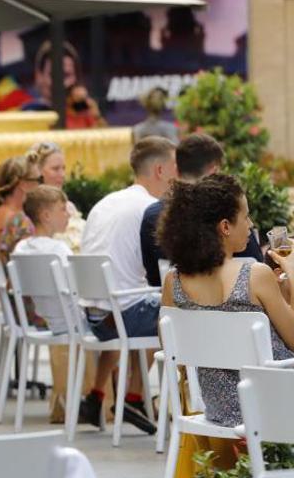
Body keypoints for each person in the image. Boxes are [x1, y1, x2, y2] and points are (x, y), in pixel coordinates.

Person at [158, 174, 294, 428]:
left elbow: (170, 349)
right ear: (225, 226)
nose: (251, 224)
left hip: (218, 411)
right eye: (246, 216)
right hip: (277, 405)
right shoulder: (255, 275)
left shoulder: (172, 282)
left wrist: (283, 290)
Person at [78, 136, 179, 435]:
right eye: (175, 166)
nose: (178, 173)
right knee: (174, 312)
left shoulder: (107, 202)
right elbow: (163, 270)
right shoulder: (151, 209)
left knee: (135, 299)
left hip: (93, 315)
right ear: (160, 170)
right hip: (122, 316)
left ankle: (96, 397)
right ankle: (135, 398)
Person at [141, 133, 263, 287]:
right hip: (237, 305)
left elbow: (154, 280)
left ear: (177, 169)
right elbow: (255, 262)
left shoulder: (151, 215)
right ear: (214, 171)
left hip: (172, 306)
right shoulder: (226, 210)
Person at [12, 185, 75, 335]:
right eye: (63, 209)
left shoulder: (21, 248)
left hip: (48, 320)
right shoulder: (58, 249)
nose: (68, 215)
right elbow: (77, 288)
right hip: (74, 322)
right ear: (46, 216)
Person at [0, 153, 42, 265]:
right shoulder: (19, 220)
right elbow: (31, 263)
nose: (40, 185)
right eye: (38, 179)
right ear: (23, 184)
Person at [29, 141, 85, 252]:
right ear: (38, 171)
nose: (62, 174)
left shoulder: (69, 206)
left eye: (63, 168)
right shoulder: (29, 210)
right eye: (55, 169)